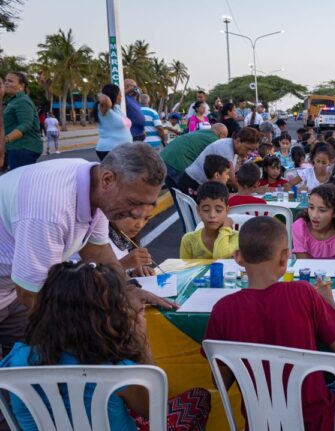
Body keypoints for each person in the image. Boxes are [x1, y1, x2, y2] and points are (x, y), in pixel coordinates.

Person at [0, 143, 174, 359]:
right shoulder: (50, 209)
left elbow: (99, 253)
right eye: (133, 202)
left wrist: (125, 291)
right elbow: (31, 293)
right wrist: (104, 321)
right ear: (108, 180)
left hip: (13, 289)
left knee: (21, 374)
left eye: (147, 204)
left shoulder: (95, 187)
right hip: (22, 290)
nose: (138, 213)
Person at [0, 262, 211, 431]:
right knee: (198, 398)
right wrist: (140, 335)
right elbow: (154, 412)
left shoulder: (15, 362)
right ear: (104, 315)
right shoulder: (121, 370)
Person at [202, 217, 335, 431]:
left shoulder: (223, 309)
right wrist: (328, 301)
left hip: (259, 424)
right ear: (285, 258)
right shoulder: (304, 293)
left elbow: (221, 382)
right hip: (317, 423)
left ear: (238, 257)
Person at [176, 127, 261, 196]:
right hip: (192, 182)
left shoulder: (232, 147)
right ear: (238, 141)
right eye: (247, 149)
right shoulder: (226, 149)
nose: (249, 153)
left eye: (252, 150)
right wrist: (249, 192)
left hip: (199, 183)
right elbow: (231, 180)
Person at [292, 184, 335, 259]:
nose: (314, 215)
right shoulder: (300, 227)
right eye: (311, 207)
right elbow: (304, 265)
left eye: (322, 210)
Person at [180, 181, 238, 260]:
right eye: (206, 210)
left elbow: (220, 256)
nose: (212, 215)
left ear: (227, 210)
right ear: (198, 210)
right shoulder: (189, 241)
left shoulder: (236, 238)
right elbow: (183, 270)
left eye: (218, 210)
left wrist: (225, 229)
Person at [160, 124, 228, 189]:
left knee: (178, 195)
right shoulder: (214, 141)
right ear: (221, 135)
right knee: (188, 192)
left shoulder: (201, 132)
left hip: (164, 157)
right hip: (177, 162)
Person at [2, 72, 43, 169]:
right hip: (15, 148)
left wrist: (4, 140)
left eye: (10, 81)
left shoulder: (22, 101)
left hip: (23, 148)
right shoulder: (12, 101)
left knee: (19, 182)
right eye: (5, 80)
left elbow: (25, 125)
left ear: (22, 85)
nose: (6, 83)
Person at [109, 206, 156, 278]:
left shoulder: (126, 240)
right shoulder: (100, 242)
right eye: (135, 217)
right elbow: (94, 282)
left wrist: (134, 273)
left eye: (146, 218)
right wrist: (124, 264)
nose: (140, 225)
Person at [94, 83, 133, 160]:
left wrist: (132, 88)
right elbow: (106, 100)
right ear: (112, 95)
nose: (121, 97)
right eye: (119, 95)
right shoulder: (104, 109)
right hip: (110, 149)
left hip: (123, 150)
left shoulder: (116, 108)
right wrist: (99, 94)